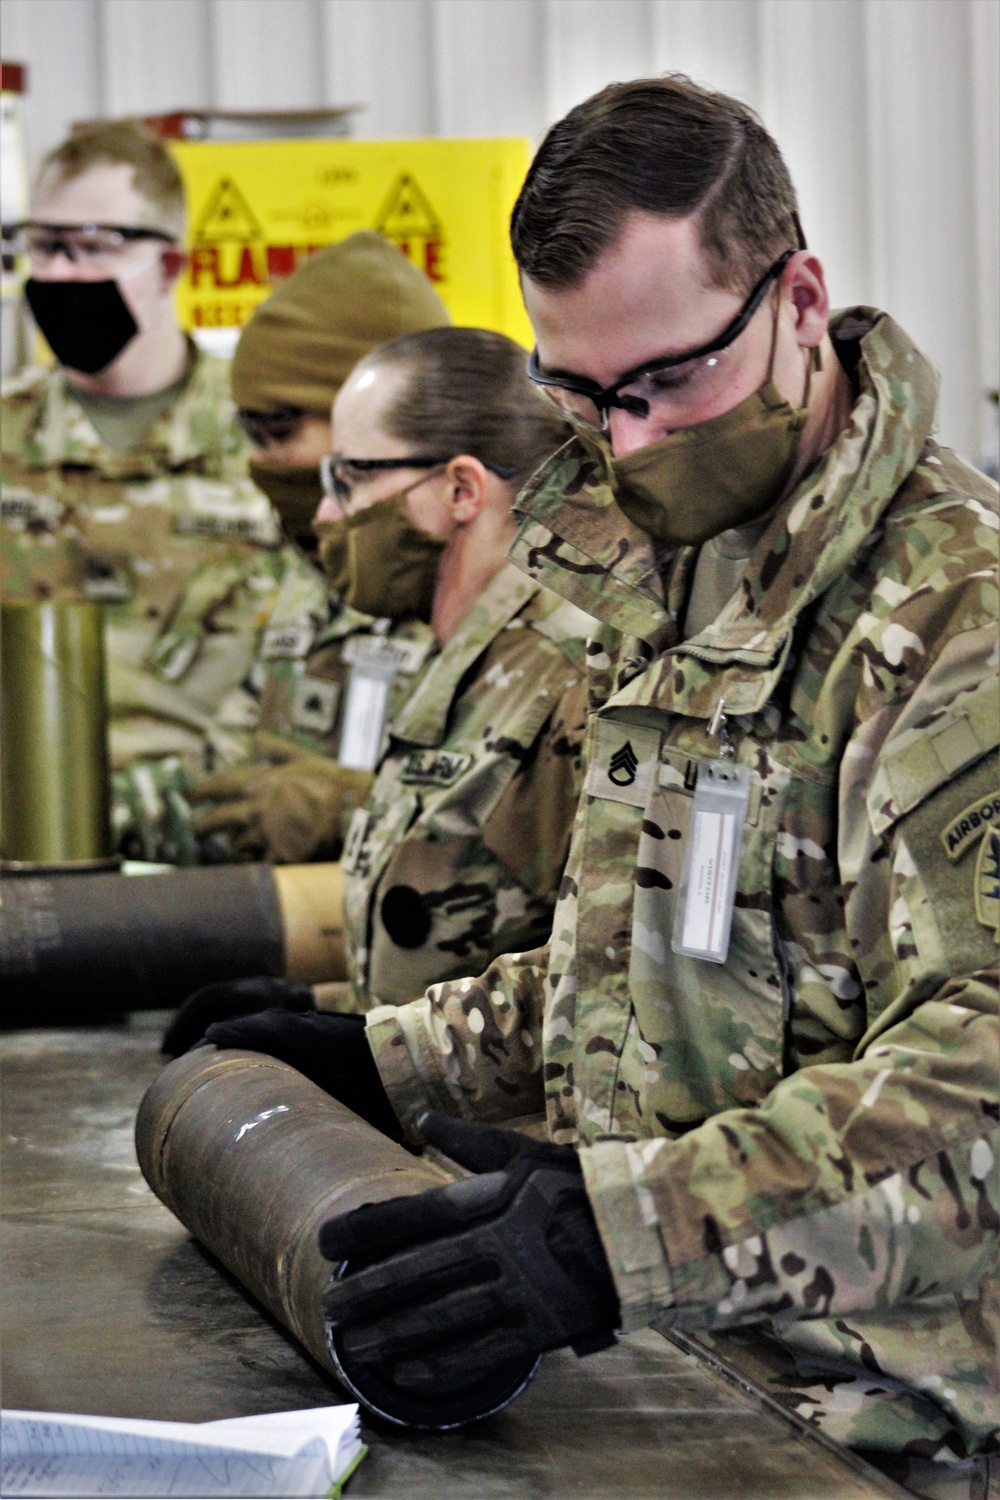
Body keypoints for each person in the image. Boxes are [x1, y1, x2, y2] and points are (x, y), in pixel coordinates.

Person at [170, 78, 998, 1496]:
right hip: (690, 1384)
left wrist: (611, 1237)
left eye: (667, 383)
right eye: (582, 395)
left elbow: (978, 1093)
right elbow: (658, 958)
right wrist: (389, 1055)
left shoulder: (949, 627)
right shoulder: (686, 565)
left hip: (889, 1437)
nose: (625, 445)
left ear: (799, 299)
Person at [162, 325, 592, 1049]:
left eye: (351, 480)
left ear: (459, 489)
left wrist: (367, 1050)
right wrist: (327, 1009)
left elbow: (595, 996)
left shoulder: (570, 682)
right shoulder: (467, 667)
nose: (328, 514)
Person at [0, 120, 308, 864]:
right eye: (45, 245)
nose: (64, 272)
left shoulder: (265, 446)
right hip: (20, 851)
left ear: (171, 264)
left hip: (210, 862)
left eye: (96, 245)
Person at [136, 232, 452, 864]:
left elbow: (552, 834)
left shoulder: (511, 590)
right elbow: (229, 774)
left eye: (277, 431)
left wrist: (351, 811)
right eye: (247, 432)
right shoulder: (312, 583)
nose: (259, 462)